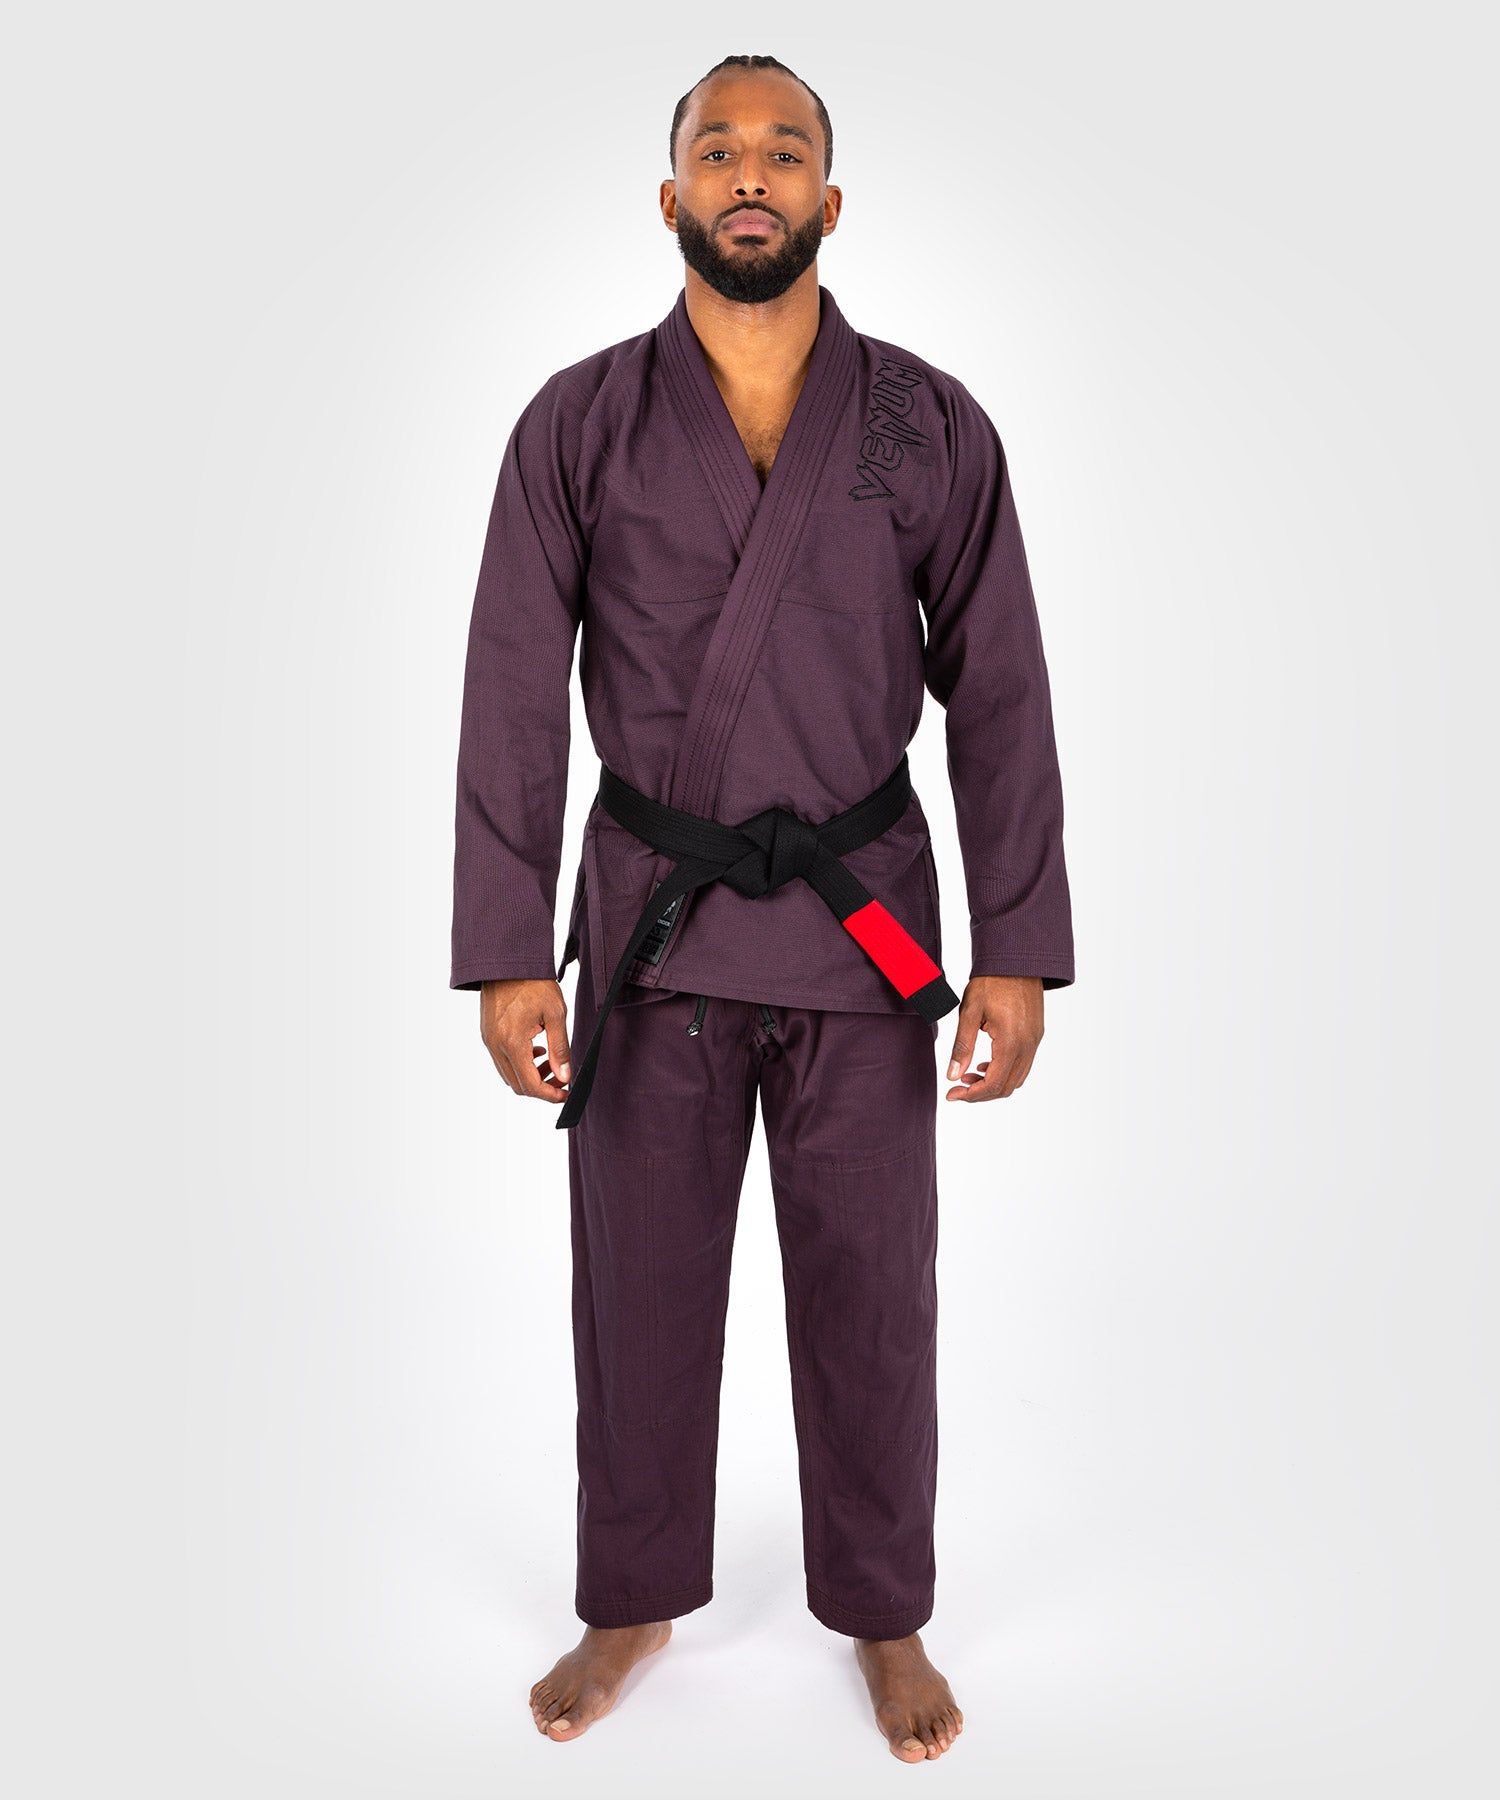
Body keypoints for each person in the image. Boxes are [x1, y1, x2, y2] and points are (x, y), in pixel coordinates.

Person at [449, 53, 1074, 1764]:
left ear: (828, 201)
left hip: (862, 931)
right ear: (669, 198)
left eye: (782, 152)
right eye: (716, 151)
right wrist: (504, 949)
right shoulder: (578, 424)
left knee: (874, 1295)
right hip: (651, 928)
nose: (749, 174)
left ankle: (883, 1612)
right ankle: (632, 1597)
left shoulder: (927, 425)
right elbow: (512, 688)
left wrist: (1018, 946)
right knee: (637, 1288)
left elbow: (1001, 689)